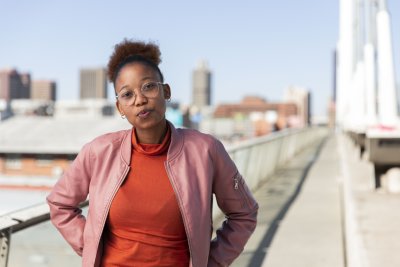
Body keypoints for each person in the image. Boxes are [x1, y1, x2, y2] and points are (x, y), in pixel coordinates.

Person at [47, 39, 258, 267]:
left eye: (148, 86)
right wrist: (90, 248)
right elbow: (60, 203)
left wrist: (211, 262)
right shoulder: (99, 152)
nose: (140, 100)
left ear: (165, 91)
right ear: (120, 108)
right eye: (127, 95)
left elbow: (244, 213)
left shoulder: (206, 150)